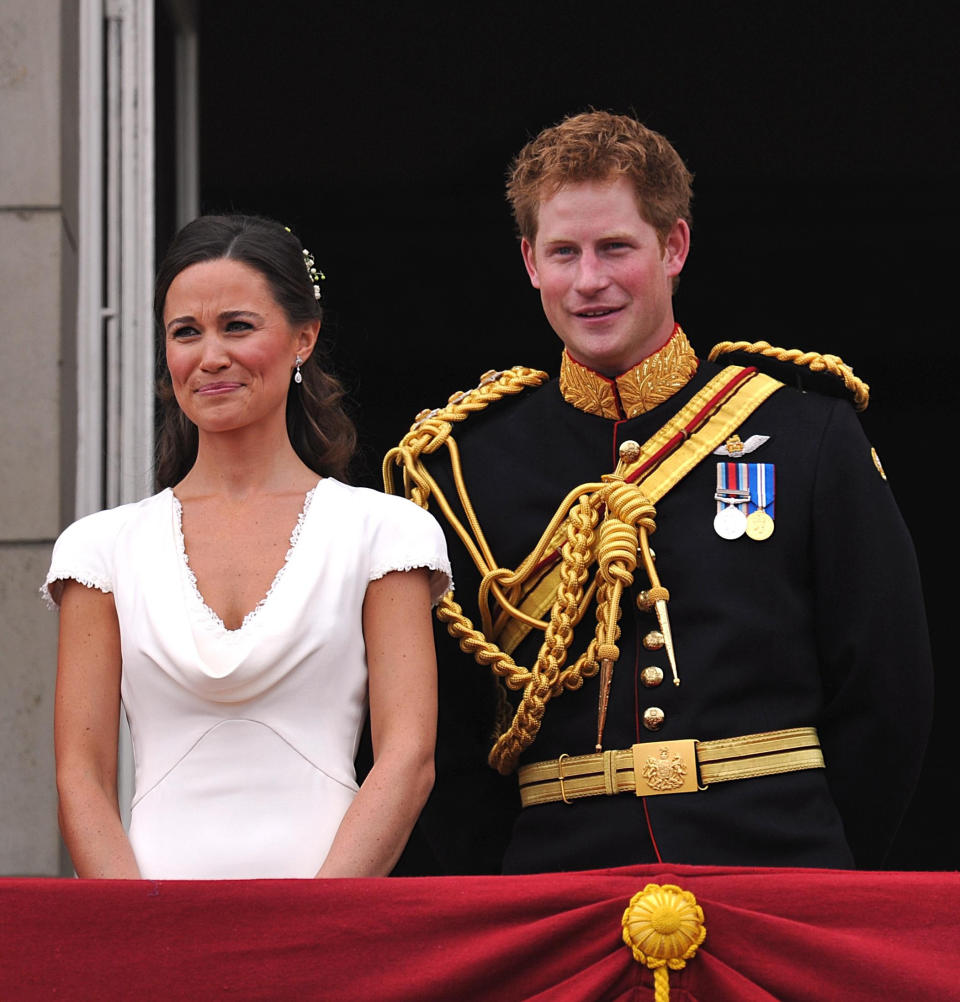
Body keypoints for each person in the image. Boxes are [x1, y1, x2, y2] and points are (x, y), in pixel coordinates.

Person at [385, 111, 933, 875]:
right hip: (559, 889)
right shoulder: (464, 469)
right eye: (563, 253)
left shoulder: (805, 432)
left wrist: (824, 865)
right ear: (528, 262)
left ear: (674, 246)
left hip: (774, 870)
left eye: (616, 248)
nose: (590, 281)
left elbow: (886, 692)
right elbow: (449, 734)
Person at [45, 214, 450, 879]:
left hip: (329, 933)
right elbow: (80, 777)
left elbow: (408, 757)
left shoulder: (386, 533)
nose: (210, 357)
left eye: (237, 326)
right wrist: (144, 944)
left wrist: (310, 933)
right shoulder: (100, 549)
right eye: (185, 333)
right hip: (157, 942)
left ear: (303, 337)